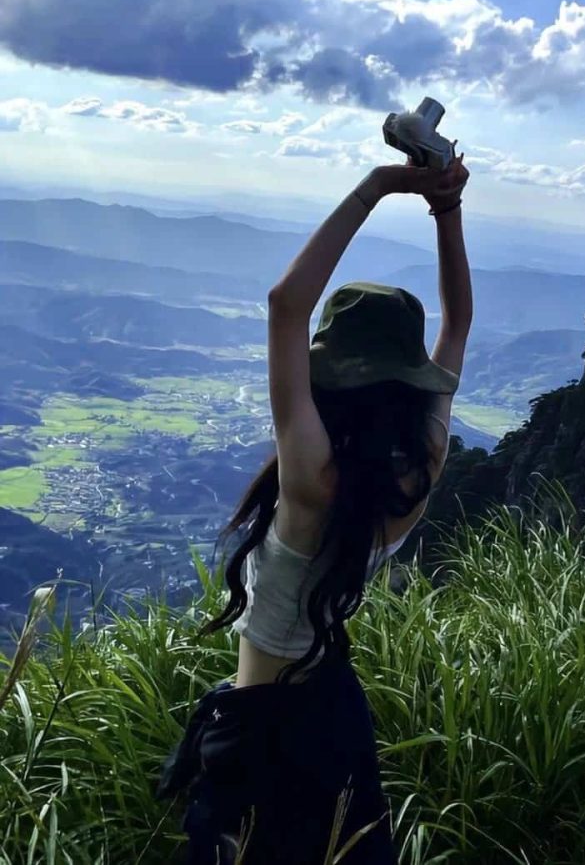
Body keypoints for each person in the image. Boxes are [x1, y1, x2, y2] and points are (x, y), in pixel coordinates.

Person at [155, 153, 472, 864]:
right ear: (408, 381)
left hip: (262, 734)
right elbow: (458, 323)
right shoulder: (419, 466)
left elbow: (284, 305)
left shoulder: (310, 478)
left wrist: (383, 185)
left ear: (333, 374)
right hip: (334, 712)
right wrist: (446, 209)